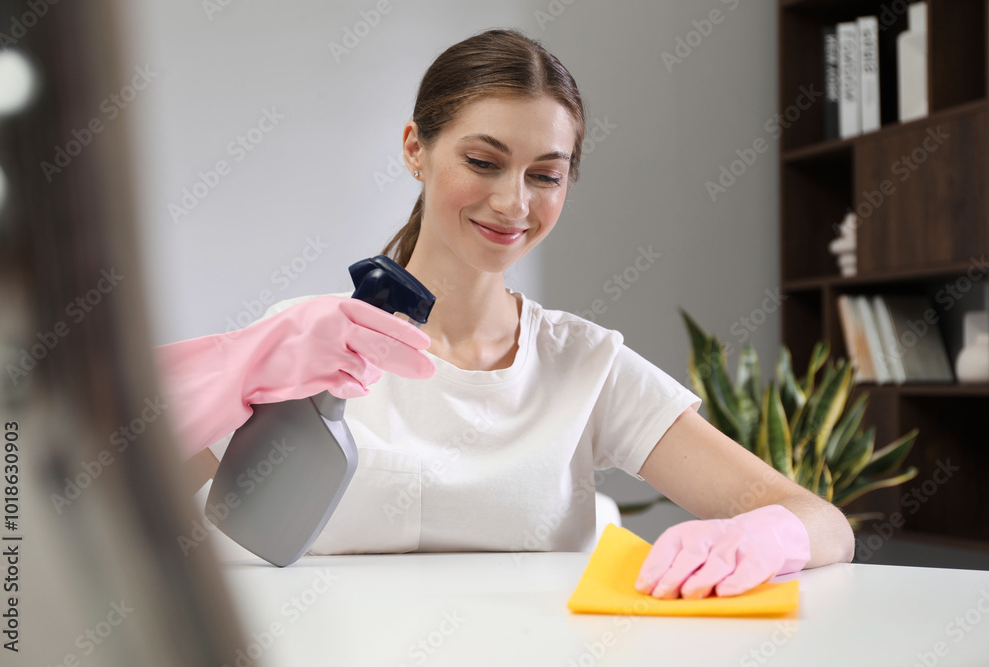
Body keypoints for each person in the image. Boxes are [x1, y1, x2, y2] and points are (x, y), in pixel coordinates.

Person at [156, 28, 854, 599]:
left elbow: (822, 521)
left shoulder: (586, 365)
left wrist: (767, 535)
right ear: (415, 150)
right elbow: (102, 493)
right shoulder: (308, 347)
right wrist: (238, 369)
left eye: (545, 175)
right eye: (484, 161)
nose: (514, 203)